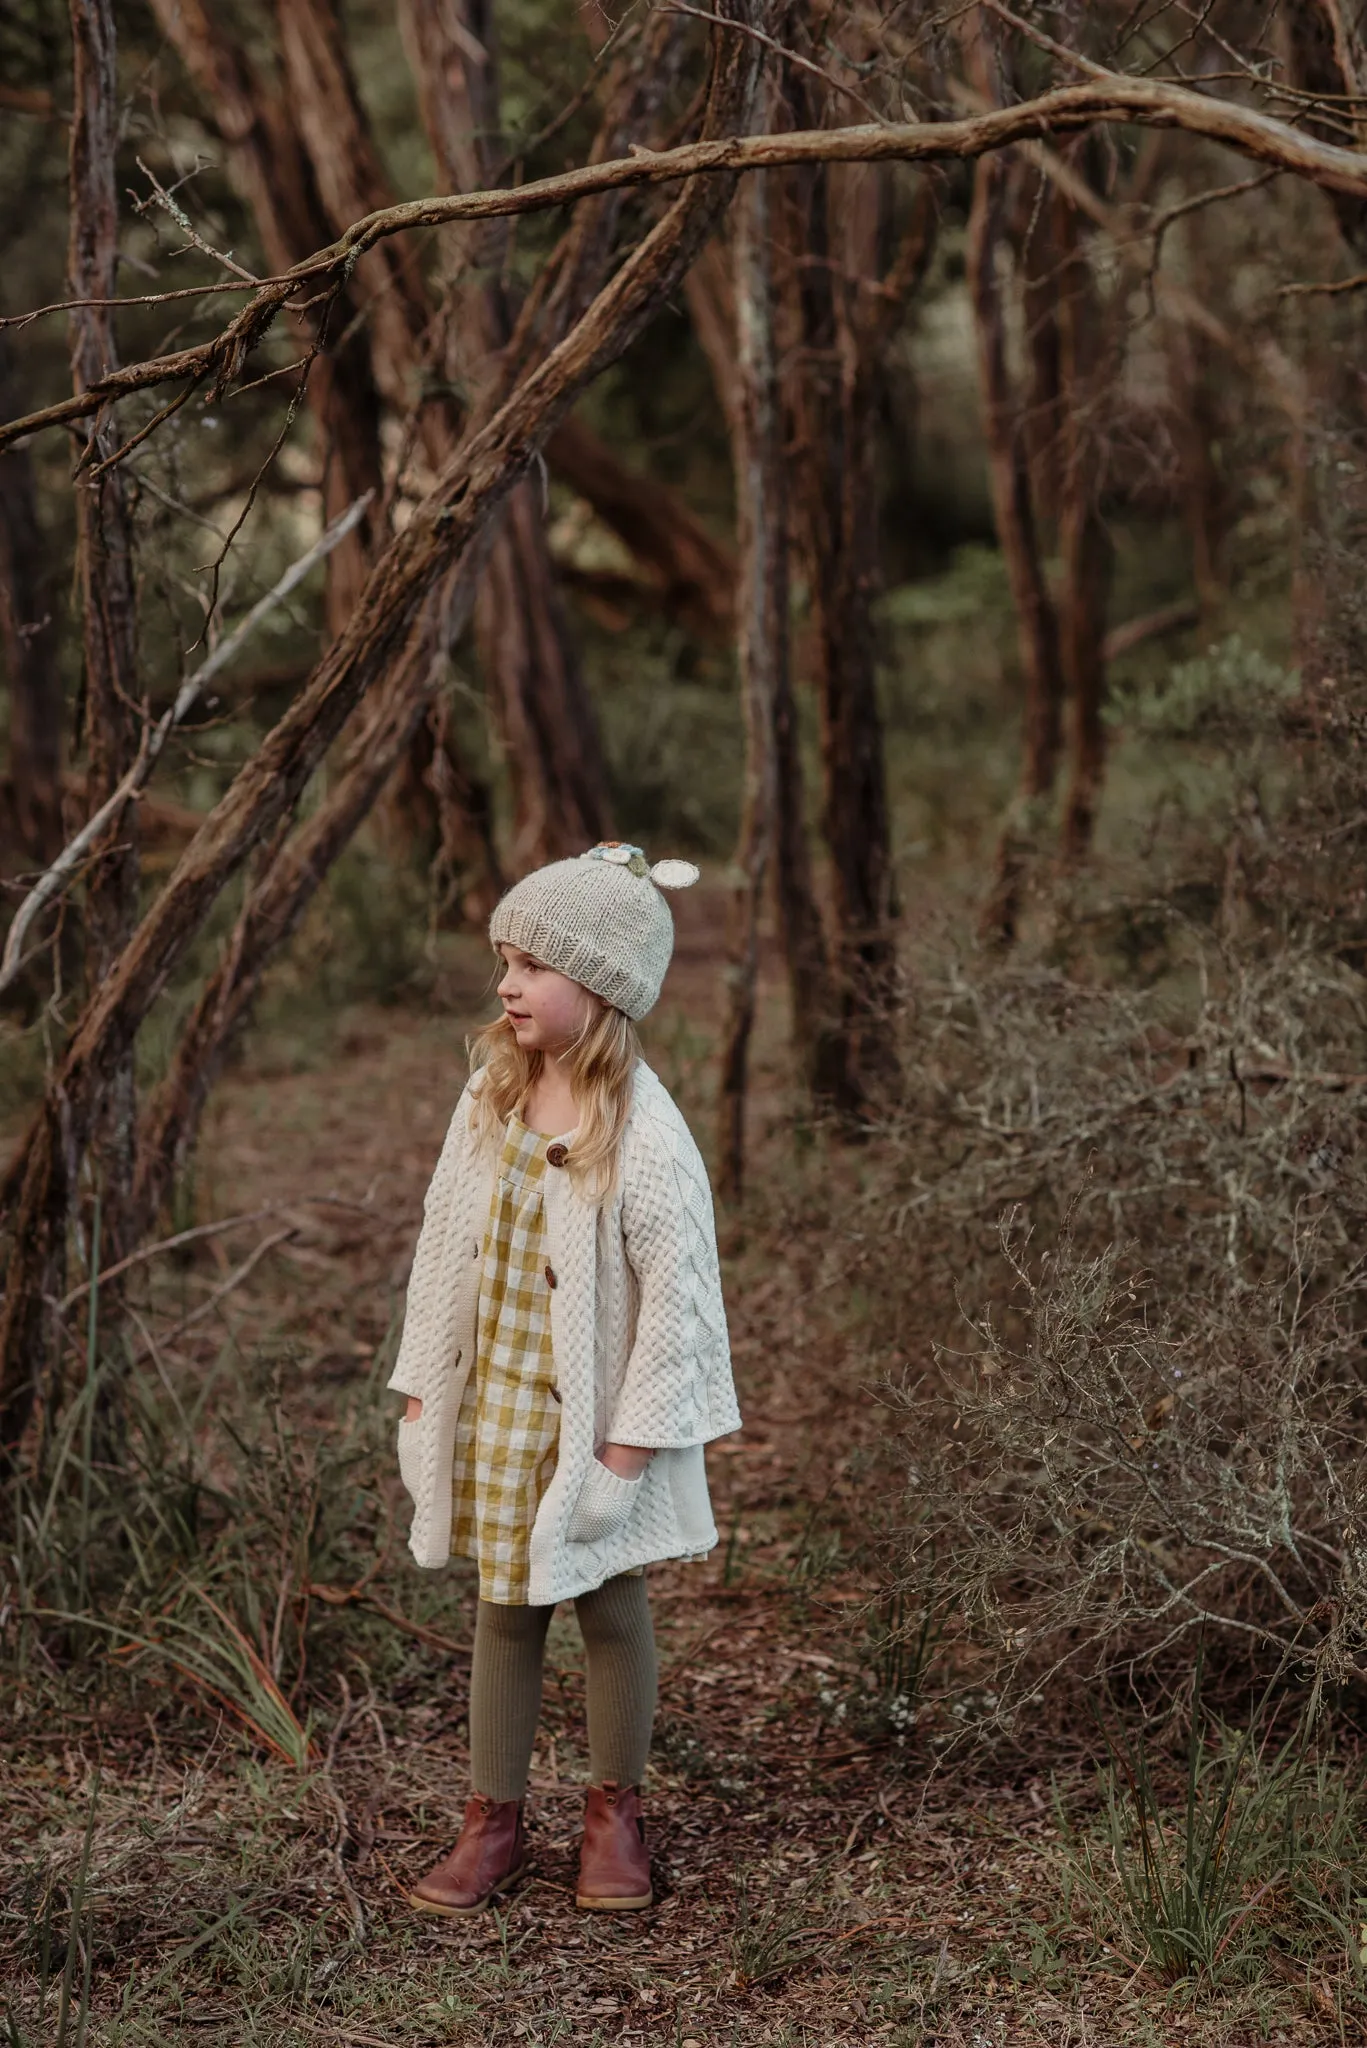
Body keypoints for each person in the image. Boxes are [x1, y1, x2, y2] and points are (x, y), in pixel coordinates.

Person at [389, 841, 740, 1917]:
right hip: (500, 1403)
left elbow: (679, 1305)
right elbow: (441, 1242)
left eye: (536, 964)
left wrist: (627, 1448)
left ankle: (612, 1814)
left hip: (592, 1424)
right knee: (504, 1602)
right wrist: (420, 1384)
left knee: (605, 1600)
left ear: (604, 986)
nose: (508, 983)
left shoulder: (643, 1131)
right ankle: (491, 1820)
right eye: (505, 958)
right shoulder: (488, 1097)